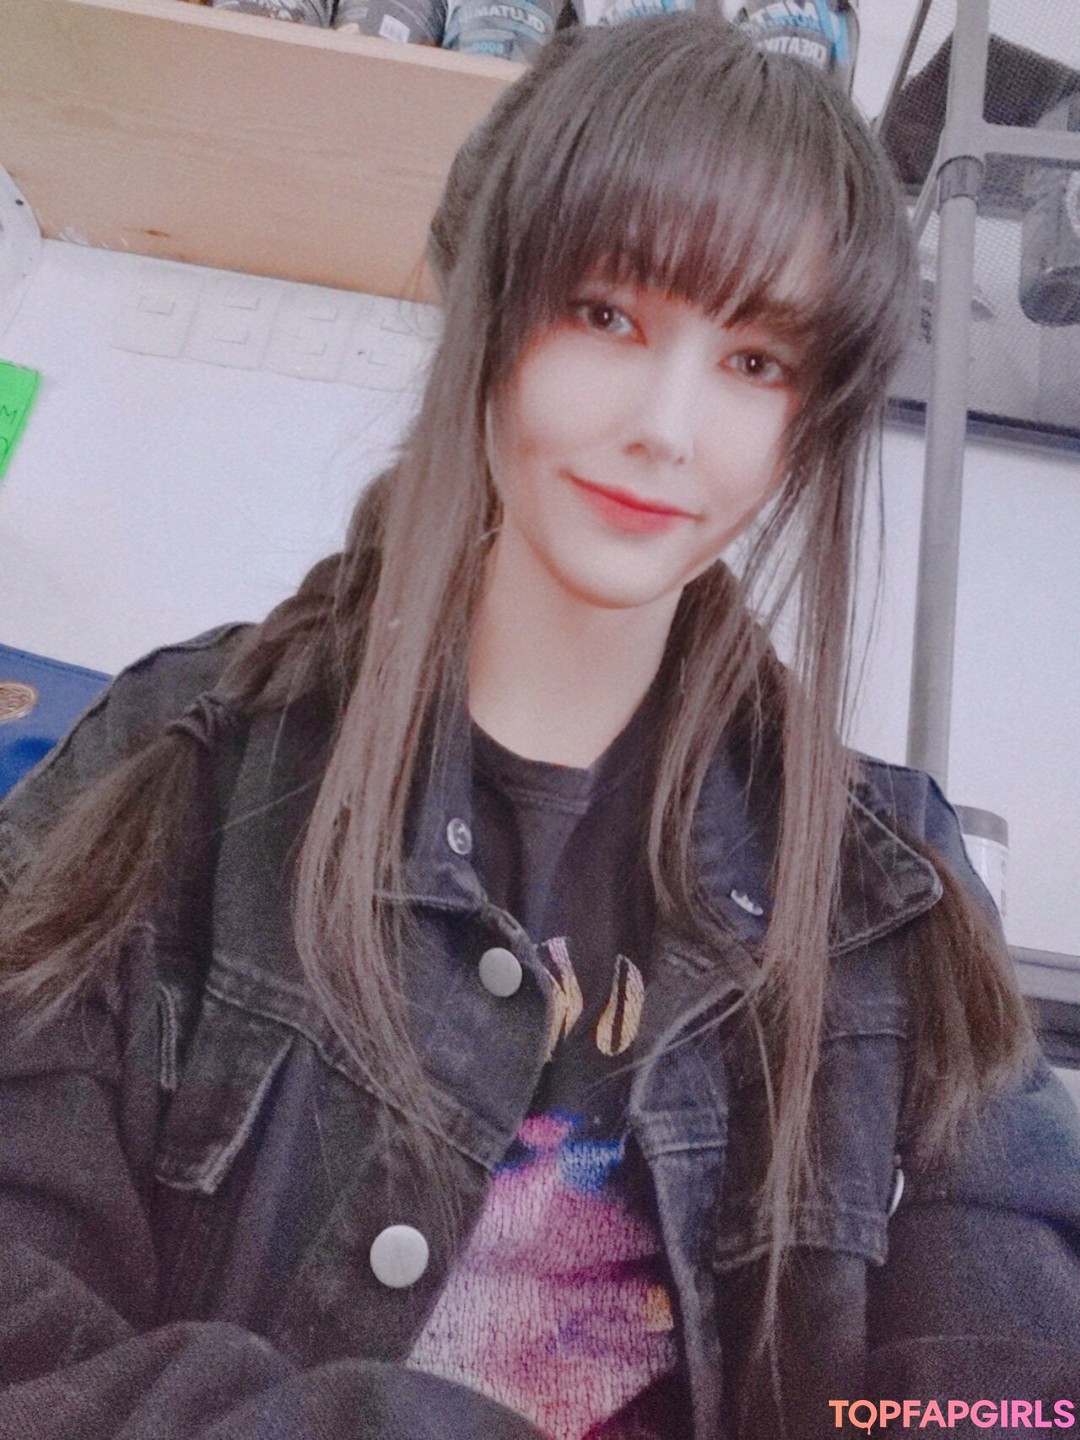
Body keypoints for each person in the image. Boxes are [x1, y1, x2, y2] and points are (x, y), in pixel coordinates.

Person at [1, 15, 1078, 1440]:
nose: (669, 427)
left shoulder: (893, 891)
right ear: (488, 307)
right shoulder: (179, 760)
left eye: (757, 360)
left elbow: (1006, 1398)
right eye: (607, 315)